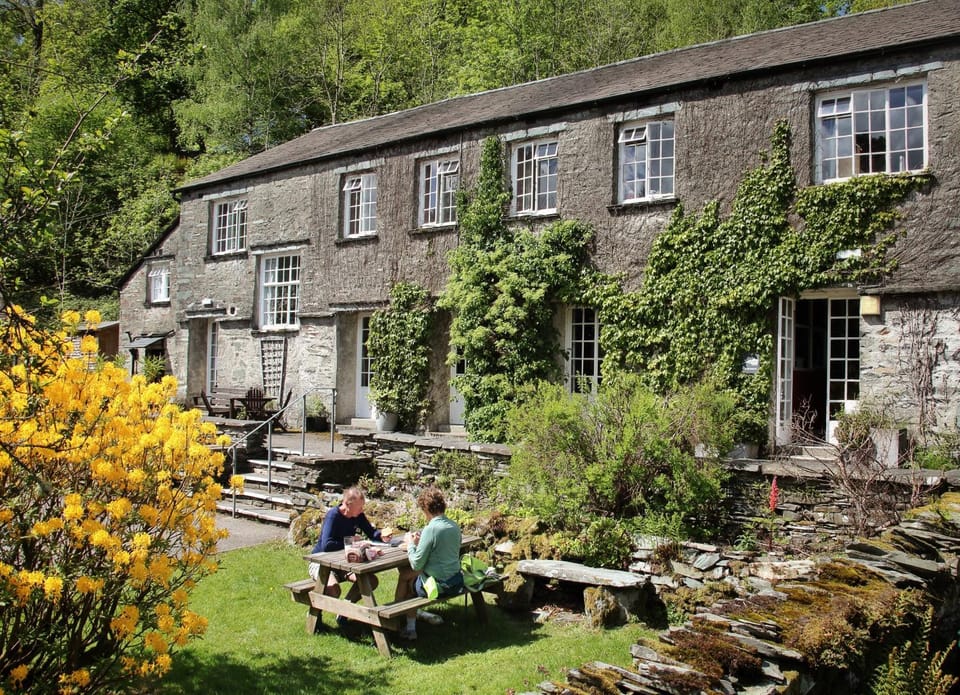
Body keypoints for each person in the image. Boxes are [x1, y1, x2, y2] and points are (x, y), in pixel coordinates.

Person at [308, 487, 391, 623]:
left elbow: (371, 533)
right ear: (348, 504)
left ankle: (345, 608)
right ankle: (315, 617)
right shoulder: (333, 516)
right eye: (360, 506)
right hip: (320, 562)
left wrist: (382, 536)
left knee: (371, 581)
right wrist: (352, 542)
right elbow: (327, 545)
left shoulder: (357, 515)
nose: (362, 509)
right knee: (333, 590)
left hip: (345, 563)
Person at [394, 486, 463, 641]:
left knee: (406, 578)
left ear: (425, 508)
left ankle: (402, 624)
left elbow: (417, 564)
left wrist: (411, 543)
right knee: (407, 575)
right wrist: (421, 544)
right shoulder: (454, 526)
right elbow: (443, 550)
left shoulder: (431, 529)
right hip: (456, 581)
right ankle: (405, 621)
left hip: (440, 586)